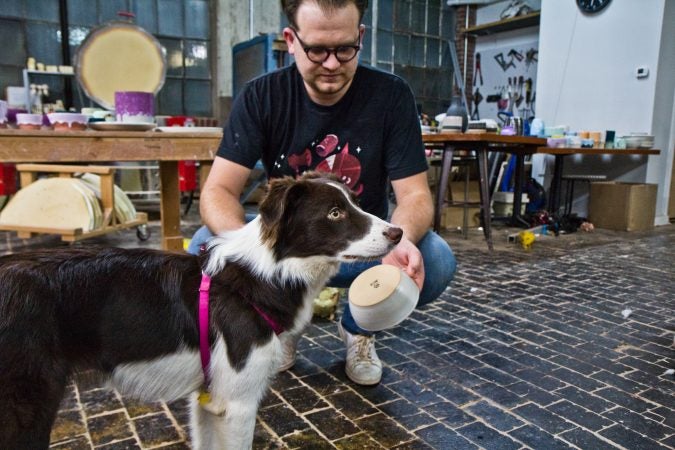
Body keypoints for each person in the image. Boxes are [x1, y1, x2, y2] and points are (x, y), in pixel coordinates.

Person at [188, 0, 456, 386]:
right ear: (291, 40)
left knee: (435, 259)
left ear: (360, 37)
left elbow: (414, 196)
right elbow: (218, 191)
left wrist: (404, 240)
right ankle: (280, 323)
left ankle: (358, 328)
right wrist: (251, 253)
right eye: (317, 50)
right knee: (203, 245)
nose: (332, 64)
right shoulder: (261, 96)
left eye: (345, 48)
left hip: (362, 246)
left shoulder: (391, 96)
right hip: (291, 253)